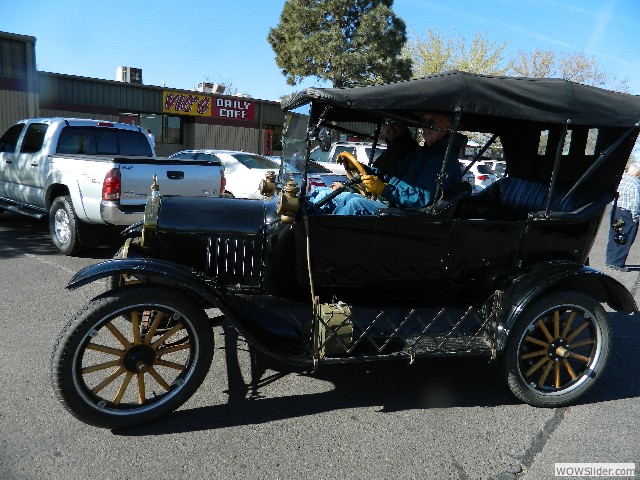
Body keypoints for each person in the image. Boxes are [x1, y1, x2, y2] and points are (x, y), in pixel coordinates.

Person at [309, 112, 462, 215]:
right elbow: (394, 177)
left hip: (410, 215)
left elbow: (423, 198)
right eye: (424, 123)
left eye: (432, 122)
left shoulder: (443, 160)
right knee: (327, 195)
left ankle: (321, 243)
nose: (425, 128)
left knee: (356, 204)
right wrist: (366, 170)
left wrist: (384, 189)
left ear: (449, 125)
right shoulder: (423, 154)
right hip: (396, 204)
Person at [605, 163, 640, 272]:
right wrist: (635, 217)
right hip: (627, 214)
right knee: (625, 237)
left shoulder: (621, 179)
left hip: (617, 210)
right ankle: (617, 263)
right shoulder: (635, 184)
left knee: (615, 234)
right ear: (638, 173)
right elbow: (635, 204)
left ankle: (610, 260)